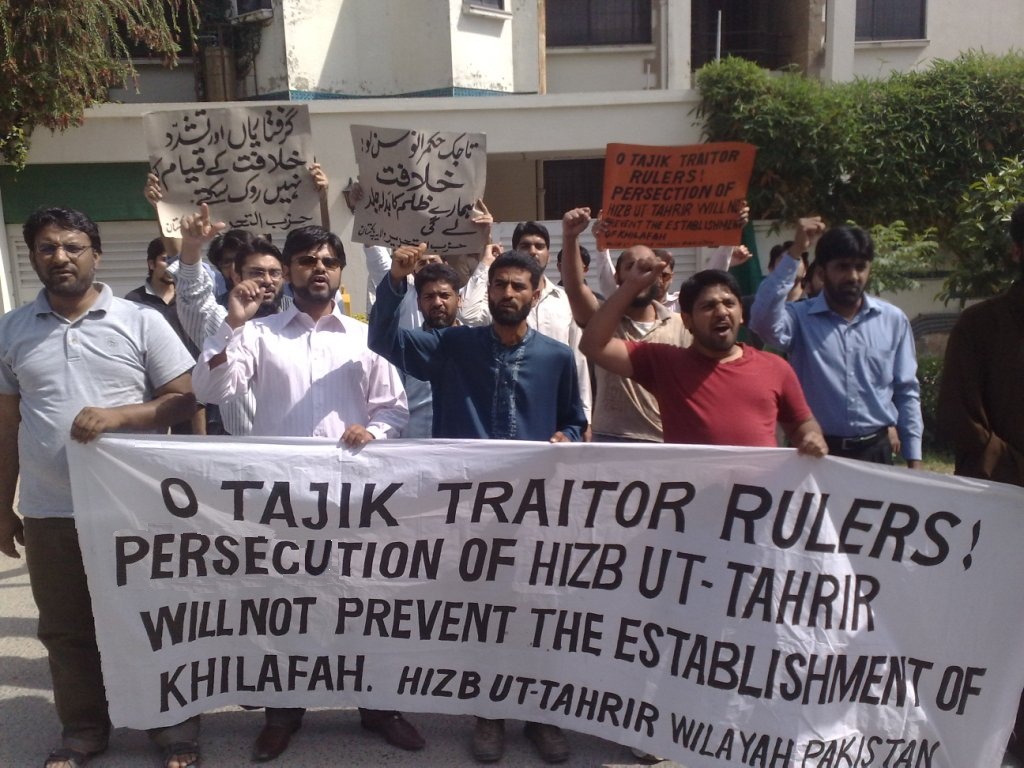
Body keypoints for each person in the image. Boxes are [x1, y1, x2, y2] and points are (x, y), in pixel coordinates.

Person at [190, 221, 419, 761]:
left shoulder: (365, 336)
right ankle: (283, 713)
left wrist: (374, 432)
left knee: (363, 604)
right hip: (282, 502)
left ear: (340, 272)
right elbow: (210, 390)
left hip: (353, 500)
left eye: (329, 261)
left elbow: (394, 410)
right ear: (289, 271)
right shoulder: (258, 334)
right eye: (307, 260)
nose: (319, 269)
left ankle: (379, 708)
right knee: (283, 608)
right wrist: (231, 323)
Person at [369, 245, 586, 763]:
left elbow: (574, 419)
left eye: (518, 286)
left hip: (533, 510)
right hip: (468, 510)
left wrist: (567, 437)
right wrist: (395, 282)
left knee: (537, 613)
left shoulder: (556, 358)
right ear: (486, 292)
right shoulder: (453, 346)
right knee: (484, 615)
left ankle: (542, 717)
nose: (507, 293)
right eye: (499, 285)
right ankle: (489, 714)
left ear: (535, 293)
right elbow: (384, 340)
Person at [0, 208, 199, 768]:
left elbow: (184, 398)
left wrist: (119, 417)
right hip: (50, 510)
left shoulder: (141, 321)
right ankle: (84, 729)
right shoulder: (11, 330)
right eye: (46, 248)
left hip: (133, 507)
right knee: (66, 630)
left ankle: (171, 724)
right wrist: (3, 507)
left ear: (96, 254)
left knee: (151, 619)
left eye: (72, 246)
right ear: (34, 257)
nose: (59, 257)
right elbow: (6, 426)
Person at [580, 259, 827, 455]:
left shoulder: (775, 367)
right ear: (687, 320)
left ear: (741, 313)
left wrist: (812, 437)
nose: (721, 312)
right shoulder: (663, 363)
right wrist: (631, 286)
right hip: (689, 500)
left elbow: (801, 424)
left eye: (729, 303)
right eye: (708, 306)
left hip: (756, 501)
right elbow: (593, 345)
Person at [750, 219, 923, 466]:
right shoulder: (799, 319)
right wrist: (795, 252)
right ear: (822, 273)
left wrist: (914, 459)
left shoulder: (892, 320)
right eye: (842, 267)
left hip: (875, 453)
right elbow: (761, 321)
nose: (853, 276)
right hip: (814, 452)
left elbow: (906, 391)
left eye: (860, 267)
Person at [560, 207, 690, 443]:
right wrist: (570, 237)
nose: (638, 274)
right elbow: (575, 288)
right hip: (612, 440)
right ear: (617, 277)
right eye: (630, 267)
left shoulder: (681, 325)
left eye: (646, 267)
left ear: (659, 274)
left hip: (666, 442)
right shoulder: (603, 320)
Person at [459, 220, 593, 432]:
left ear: (549, 254)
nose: (532, 251)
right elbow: (468, 314)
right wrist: (486, 263)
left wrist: (584, 417)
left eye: (539, 246)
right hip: (504, 404)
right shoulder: (502, 299)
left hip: (552, 404)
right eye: (525, 246)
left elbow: (578, 359)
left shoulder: (565, 300)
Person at [124, 238, 205, 435]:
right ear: (151, 264)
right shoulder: (133, 302)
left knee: (194, 443)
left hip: (192, 385)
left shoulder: (189, 299)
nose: (170, 266)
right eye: (164, 259)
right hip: (154, 388)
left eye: (174, 260)